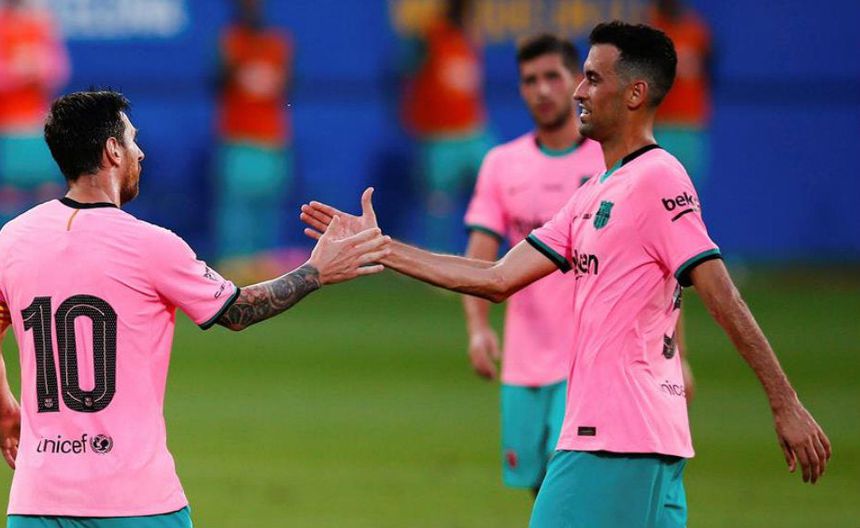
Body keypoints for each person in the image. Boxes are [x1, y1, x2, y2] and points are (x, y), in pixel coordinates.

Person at [301, 21, 830, 527]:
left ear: (635, 94)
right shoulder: (594, 193)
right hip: (639, 437)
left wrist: (784, 403)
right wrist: (380, 247)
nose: (578, 90)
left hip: (615, 437)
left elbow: (722, 295)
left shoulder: (658, 179)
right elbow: (496, 277)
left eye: (593, 78)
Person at [0, 90, 388, 527]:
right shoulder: (150, 245)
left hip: (37, 504)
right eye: (131, 139)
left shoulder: (13, 239)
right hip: (134, 504)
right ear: (112, 151)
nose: (140, 152)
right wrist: (316, 271)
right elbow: (237, 311)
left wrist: (5, 408)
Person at [461, 34, 605, 495]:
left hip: (588, 359)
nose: (541, 90)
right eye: (529, 80)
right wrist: (477, 328)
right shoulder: (502, 164)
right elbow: (480, 255)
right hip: (522, 361)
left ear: (577, 82)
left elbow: (654, 261)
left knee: (571, 487)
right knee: (536, 488)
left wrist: (678, 354)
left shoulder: (609, 162)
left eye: (552, 77)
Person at [400, 0, 494, 252]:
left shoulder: (470, 39)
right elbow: (408, 76)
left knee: (498, 186)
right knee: (439, 203)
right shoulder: (431, 36)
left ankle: (505, 253)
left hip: (474, 133)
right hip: (440, 138)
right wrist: (414, 118)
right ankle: (437, 256)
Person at [215, 0, 293, 282]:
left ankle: (262, 261)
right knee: (237, 207)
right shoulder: (230, 43)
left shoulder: (278, 44)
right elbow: (217, 83)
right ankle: (234, 261)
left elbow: (289, 86)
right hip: (239, 137)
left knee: (267, 205)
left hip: (271, 139)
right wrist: (230, 60)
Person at [0, 0, 70, 225]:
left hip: (38, 127)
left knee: (48, 192)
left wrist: (39, 68)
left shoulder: (41, 23)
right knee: (9, 196)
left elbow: (58, 71)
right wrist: (17, 71)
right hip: (6, 129)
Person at [649, 0, 712, 185]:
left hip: (691, 126)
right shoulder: (650, 30)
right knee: (658, 188)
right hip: (659, 127)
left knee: (690, 190)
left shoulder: (697, 31)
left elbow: (709, 73)